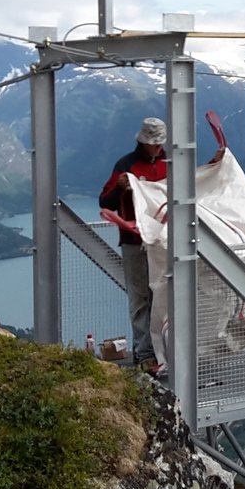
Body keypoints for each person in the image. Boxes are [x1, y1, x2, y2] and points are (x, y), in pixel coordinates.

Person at [99, 117, 168, 371]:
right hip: (134, 241)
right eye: (154, 144)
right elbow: (105, 203)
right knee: (141, 298)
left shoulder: (170, 163)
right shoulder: (125, 165)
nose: (157, 148)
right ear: (143, 142)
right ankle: (145, 353)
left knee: (163, 296)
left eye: (159, 143)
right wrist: (118, 189)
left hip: (162, 242)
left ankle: (165, 351)